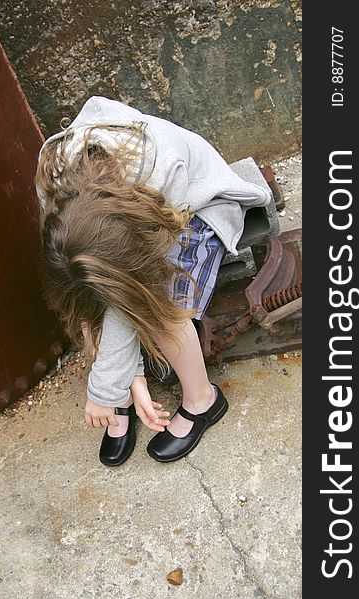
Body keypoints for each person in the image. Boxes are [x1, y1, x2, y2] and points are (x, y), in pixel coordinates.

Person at [35, 96, 272, 466]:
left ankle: (203, 401)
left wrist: (106, 384)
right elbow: (96, 278)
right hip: (131, 232)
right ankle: (123, 401)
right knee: (84, 291)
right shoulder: (55, 177)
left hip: (193, 208)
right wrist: (129, 378)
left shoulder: (160, 165)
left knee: (162, 309)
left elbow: (135, 290)